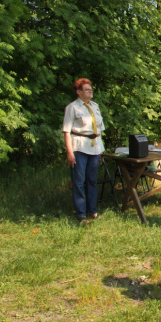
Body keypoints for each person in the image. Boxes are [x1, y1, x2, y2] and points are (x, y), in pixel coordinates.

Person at [62, 78, 106, 224]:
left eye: (91, 89)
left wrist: (100, 151)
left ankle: (92, 211)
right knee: (79, 181)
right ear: (79, 92)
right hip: (79, 147)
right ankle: (80, 214)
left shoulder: (95, 106)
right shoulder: (73, 107)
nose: (90, 91)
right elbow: (67, 131)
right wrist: (70, 152)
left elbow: (99, 130)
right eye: (87, 89)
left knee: (92, 180)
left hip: (94, 147)